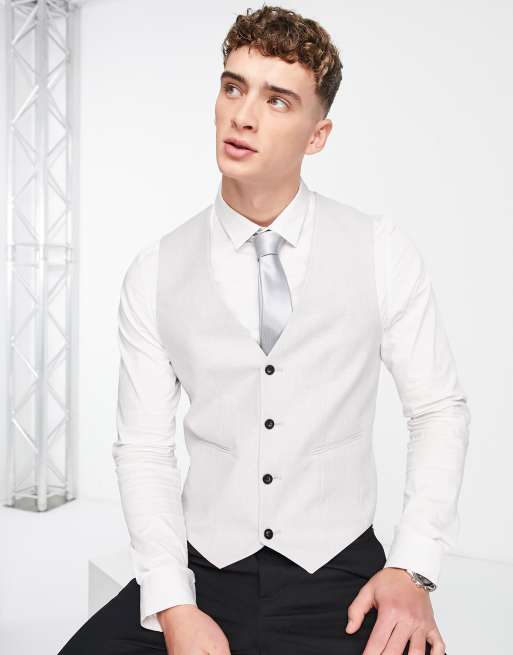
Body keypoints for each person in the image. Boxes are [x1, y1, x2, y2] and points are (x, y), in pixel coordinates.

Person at [57, 5, 470, 654]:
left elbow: (437, 409)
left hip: (337, 571)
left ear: (317, 136)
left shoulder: (379, 251)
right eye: (233, 87)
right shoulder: (155, 270)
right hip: (202, 565)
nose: (243, 116)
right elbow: (144, 449)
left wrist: (413, 566)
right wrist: (173, 603)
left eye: (277, 101)